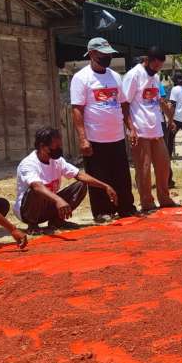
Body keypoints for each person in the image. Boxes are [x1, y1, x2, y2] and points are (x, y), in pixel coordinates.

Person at [70, 37, 138, 223]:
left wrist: (130, 128)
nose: (107, 58)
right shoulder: (81, 78)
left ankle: (125, 207)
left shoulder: (115, 76)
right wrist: (83, 138)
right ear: (92, 54)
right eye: (102, 55)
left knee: (121, 175)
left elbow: (123, 104)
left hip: (116, 136)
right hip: (95, 137)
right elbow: (77, 109)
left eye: (109, 55)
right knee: (99, 176)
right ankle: (102, 211)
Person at [15, 127, 119, 235]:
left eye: (60, 145)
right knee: (35, 191)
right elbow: (36, 186)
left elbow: (79, 174)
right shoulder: (28, 164)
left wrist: (105, 186)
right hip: (27, 211)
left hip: (49, 205)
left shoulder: (57, 161)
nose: (59, 148)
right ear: (42, 146)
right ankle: (33, 225)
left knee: (81, 184)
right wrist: (58, 200)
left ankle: (56, 221)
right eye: (56, 146)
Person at [122, 46, 179, 212]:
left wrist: (170, 118)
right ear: (146, 60)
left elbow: (158, 99)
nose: (157, 69)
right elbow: (124, 104)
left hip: (156, 129)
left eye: (160, 66)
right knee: (144, 168)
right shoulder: (133, 75)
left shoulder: (155, 76)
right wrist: (131, 129)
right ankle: (147, 202)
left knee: (163, 165)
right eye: (155, 66)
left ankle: (165, 198)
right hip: (139, 130)